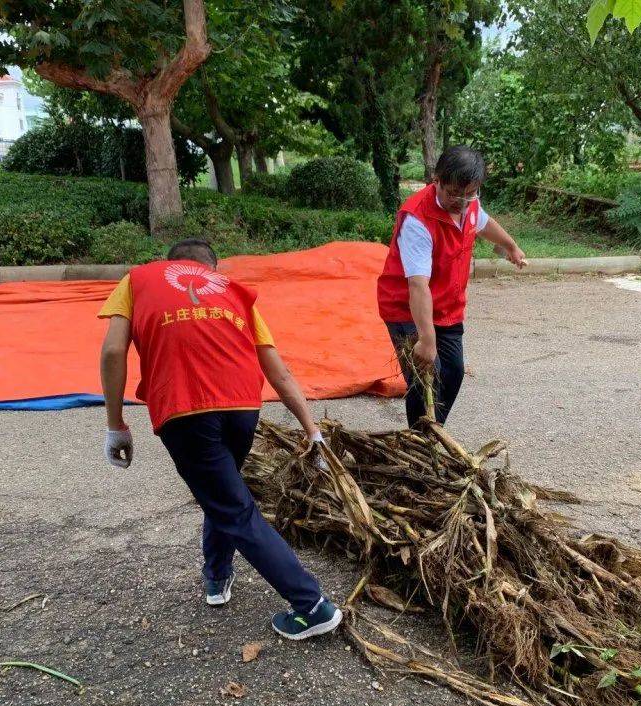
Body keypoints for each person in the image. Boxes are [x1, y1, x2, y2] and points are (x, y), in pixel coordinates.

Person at [97, 238, 342, 640]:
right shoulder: (233, 291)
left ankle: (311, 604)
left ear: (170, 265)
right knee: (222, 493)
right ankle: (217, 575)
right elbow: (279, 373)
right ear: (212, 268)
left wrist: (115, 426)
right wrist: (312, 431)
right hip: (243, 409)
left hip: (185, 408)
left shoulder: (138, 280)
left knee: (233, 508)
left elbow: (112, 353)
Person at [376, 146, 528, 428]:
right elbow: (418, 285)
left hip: (447, 307)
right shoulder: (418, 220)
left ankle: (430, 435)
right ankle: (422, 443)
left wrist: (510, 246)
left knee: (454, 372)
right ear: (437, 180)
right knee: (425, 378)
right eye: (454, 193)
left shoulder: (469, 204)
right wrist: (426, 339)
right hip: (406, 308)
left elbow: (483, 223)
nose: (462, 201)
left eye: (470, 194)